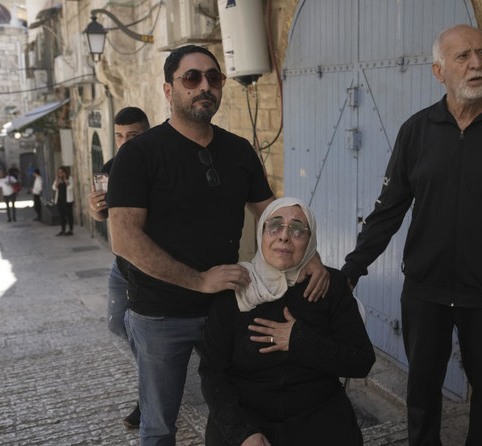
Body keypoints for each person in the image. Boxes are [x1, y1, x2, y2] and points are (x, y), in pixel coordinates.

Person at [340, 25, 482, 446]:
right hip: (426, 293)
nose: (476, 64)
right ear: (439, 71)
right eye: (462, 57)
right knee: (422, 397)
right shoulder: (417, 131)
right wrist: (353, 268)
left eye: (481, 53)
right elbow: (388, 211)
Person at [106, 45, 329, 445]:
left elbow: (270, 211)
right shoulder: (139, 154)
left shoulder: (238, 150)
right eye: (191, 78)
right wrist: (198, 280)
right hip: (161, 315)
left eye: (214, 77)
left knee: (239, 412)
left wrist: (309, 256)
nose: (204, 86)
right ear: (168, 90)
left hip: (227, 308)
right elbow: (123, 238)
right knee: (158, 427)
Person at [199, 197, 375, 446]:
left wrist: (299, 339)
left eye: (297, 230)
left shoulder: (329, 285)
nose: (284, 236)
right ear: (262, 234)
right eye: (275, 226)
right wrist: (242, 432)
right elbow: (212, 373)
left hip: (317, 412)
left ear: (310, 242)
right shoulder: (234, 288)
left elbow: (361, 362)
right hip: (246, 412)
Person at [87, 106, 150, 429]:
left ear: (147, 133)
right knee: (116, 323)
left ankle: (149, 397)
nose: (125, 143)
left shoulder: (156, 163)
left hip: (148, 265)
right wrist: (96, 209)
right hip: (120, 264)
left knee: (144, 332)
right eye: (120, 136)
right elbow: (103, 216)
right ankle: (156, 371)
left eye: (133, 136)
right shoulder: (111, 168)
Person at [52, 166, 74, 236]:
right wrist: (58, 182)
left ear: (65, 172)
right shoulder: (57, 179)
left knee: (69, 215)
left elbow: (70, 187)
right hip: (59, 200)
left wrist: (65, 180)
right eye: (59, 172)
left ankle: (70, 230)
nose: (60, 174)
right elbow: (54, 188)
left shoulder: (69, 179)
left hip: (67, 201)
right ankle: (63, 230)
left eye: (62, 172)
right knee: (62, 216)